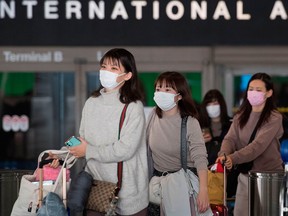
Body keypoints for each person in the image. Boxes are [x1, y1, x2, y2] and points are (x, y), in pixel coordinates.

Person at [69, 48, 149, 216]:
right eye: (104, 66)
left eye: (114, 68)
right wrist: (63, 154)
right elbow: (82, 139)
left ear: (128, 75)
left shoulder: (133, 107)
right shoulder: (92, 102)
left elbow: (125, 149)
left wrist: (88, 151)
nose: (106, 72)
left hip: (129, 195)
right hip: (96, 189)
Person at [216, 72, 284, 216]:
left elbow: (257, 146)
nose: (253, 93)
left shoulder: (274, 118)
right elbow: (230, 139)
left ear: (269, 93)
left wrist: (233, 158)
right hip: (245, 176)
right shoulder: (241, 116)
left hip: (268, 177)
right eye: (251, 89)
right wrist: (223, 154)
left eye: (258, 90)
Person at [147, 71, 210, 215]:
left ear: (179, 96)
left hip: (182, 184)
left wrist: (204, 190)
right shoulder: (152, 116)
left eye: (167, 89)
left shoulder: (190, 122)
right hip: (157, 184)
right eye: (158, 89)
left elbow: (200, 157)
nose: (161, 93)